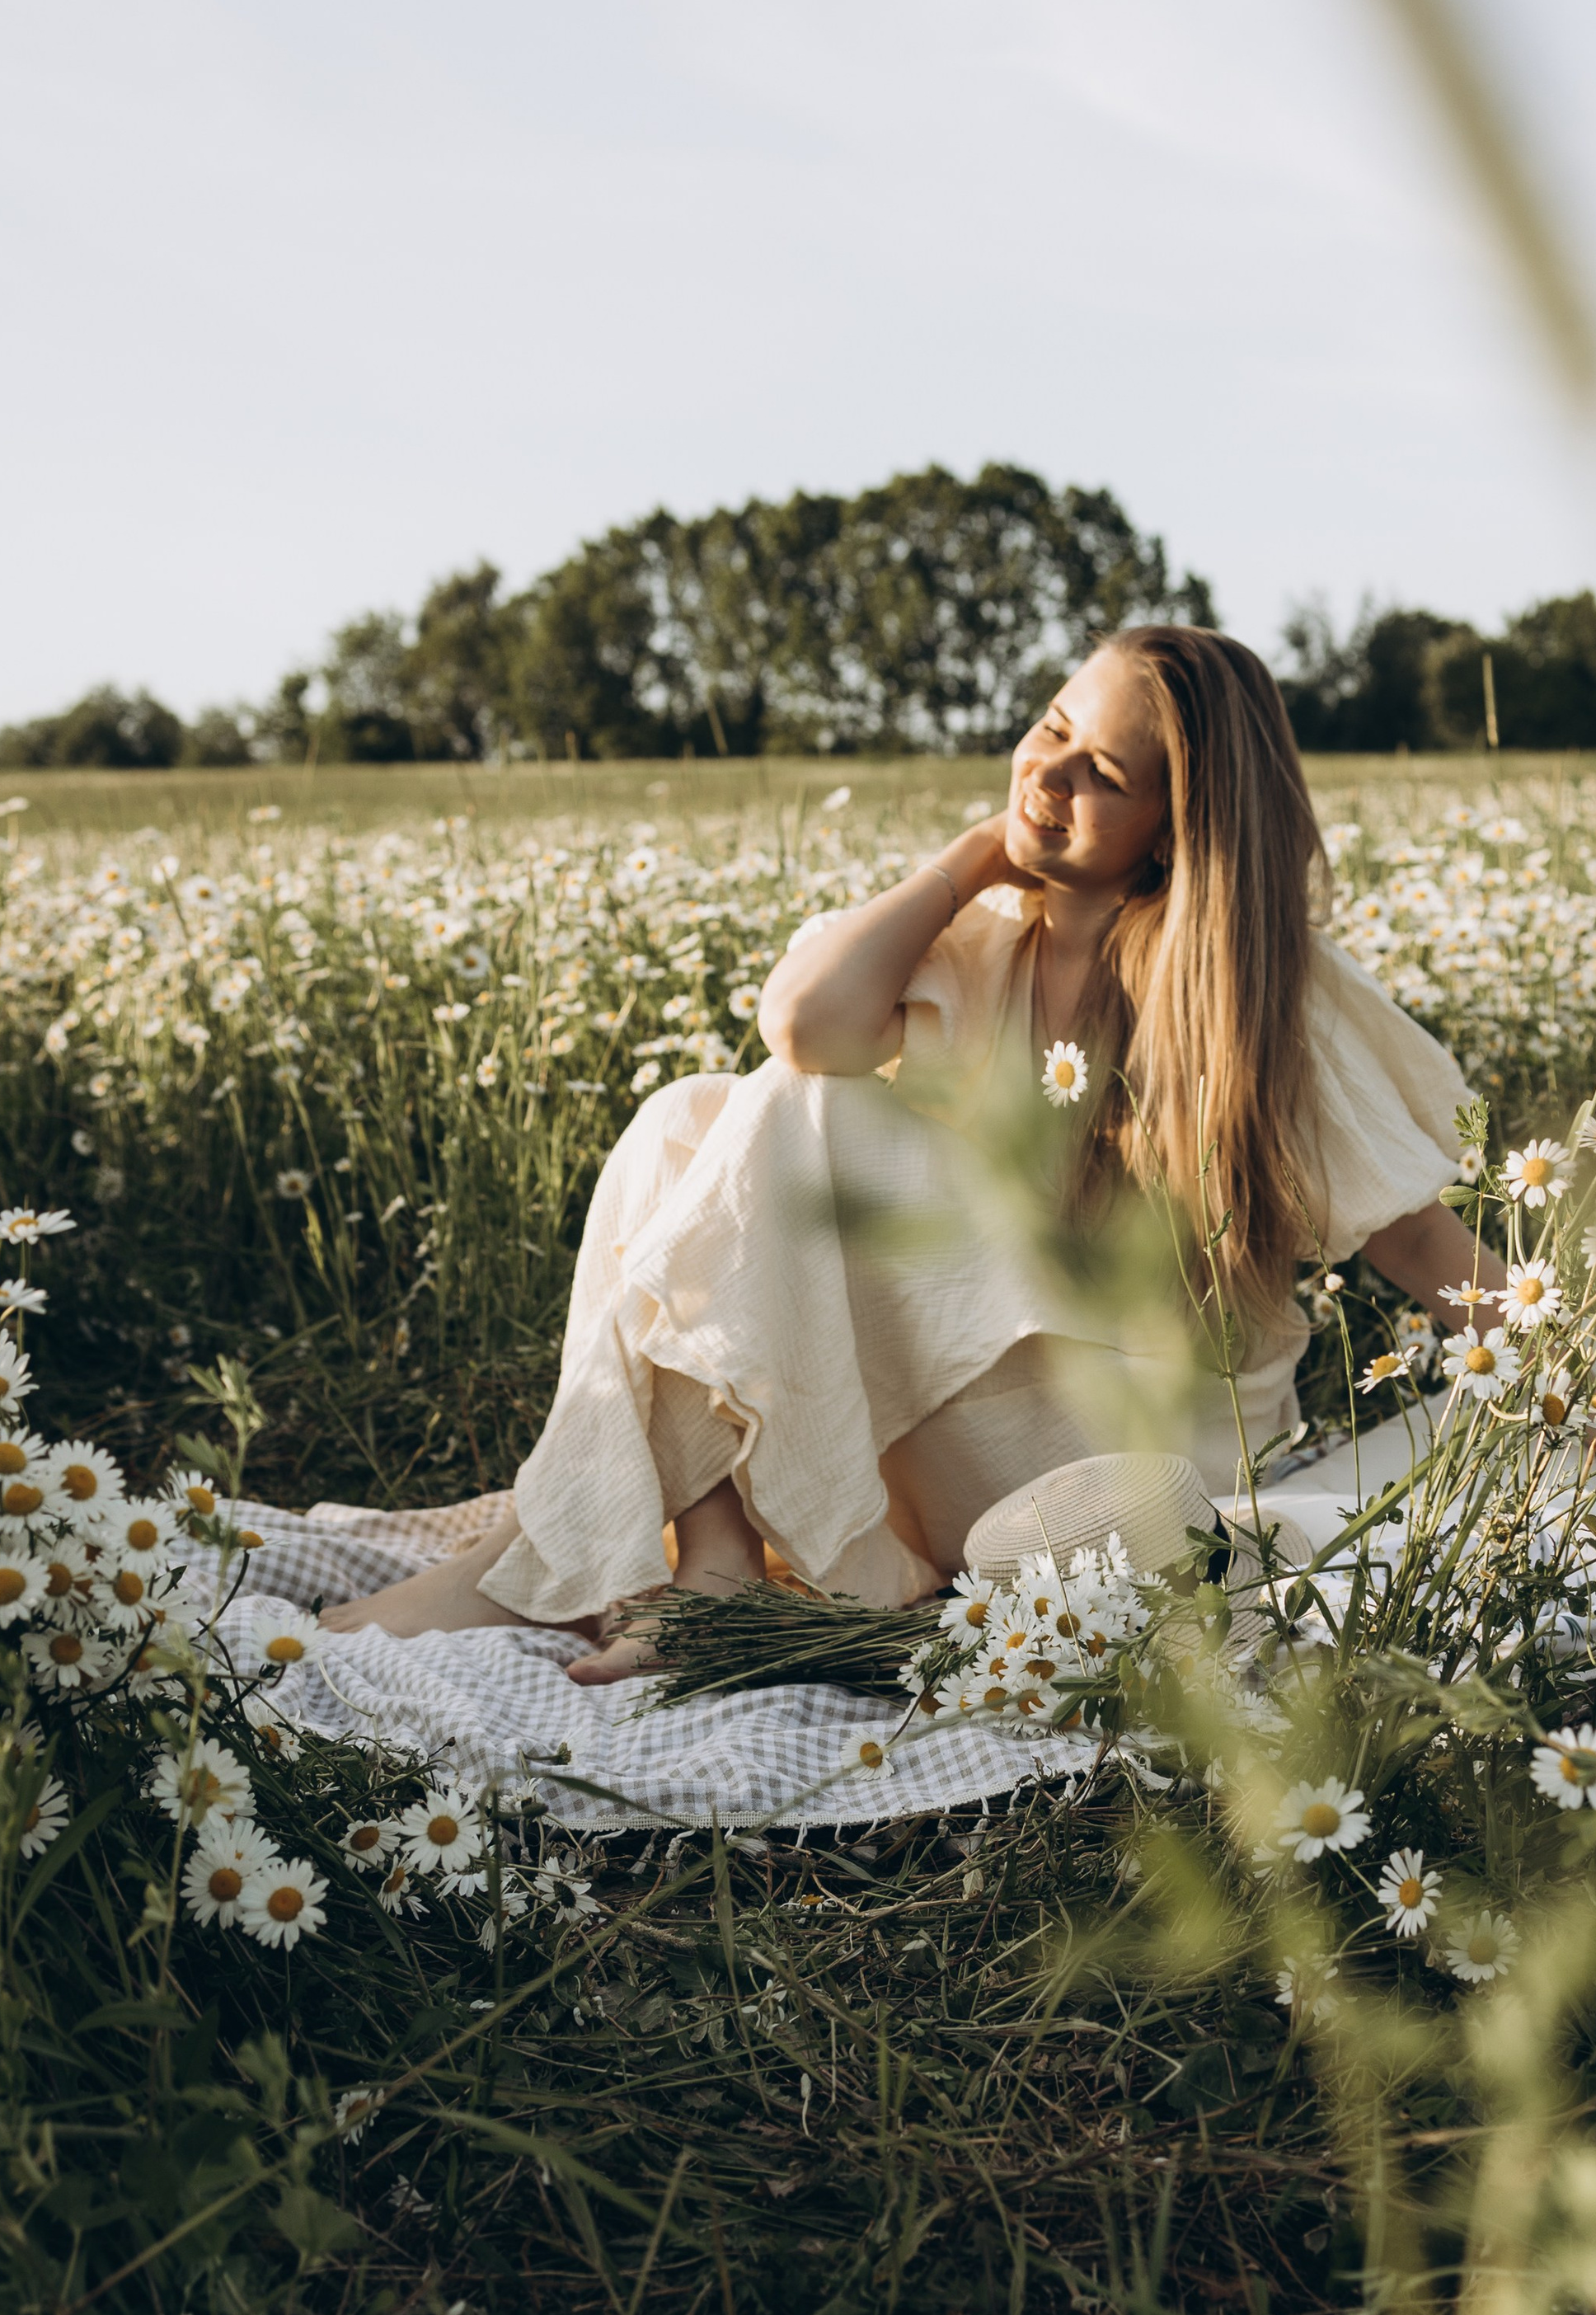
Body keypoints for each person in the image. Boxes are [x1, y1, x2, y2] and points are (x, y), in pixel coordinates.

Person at [322, 627, 1504, 1680]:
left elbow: (1411, 1233)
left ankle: (603, 1562)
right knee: (688, 1113)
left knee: (803, 1112)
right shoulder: (982, 942)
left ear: (1172, 832)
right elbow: (807, 1019)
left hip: (1114, 1470)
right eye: (1050, 729)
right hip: (960, 1429)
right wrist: (971, 859)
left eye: (1101, 774)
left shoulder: (1255, 998)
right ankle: (719, 1554)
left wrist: (1589, 1387)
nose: (1047, 775)